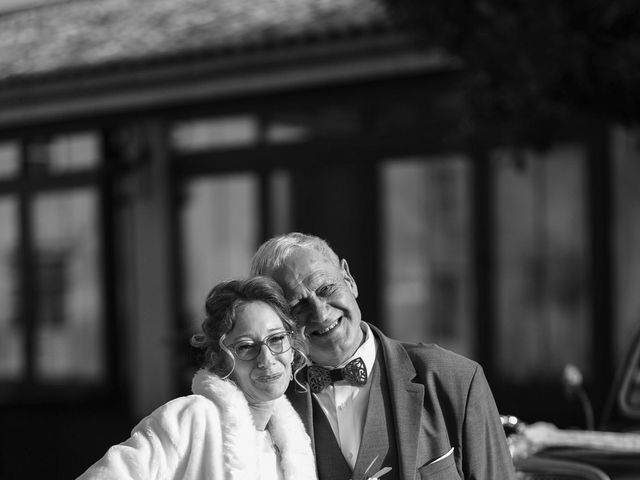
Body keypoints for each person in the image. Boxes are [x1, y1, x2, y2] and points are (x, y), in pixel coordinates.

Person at [250, 232, 517, 480]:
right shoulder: (267, 405)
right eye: (298, 306)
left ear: (349, 279)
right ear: (278, 320)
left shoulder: (454, 379)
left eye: (325, 289)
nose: (320, 313)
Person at [77, 277, 318, 480]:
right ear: (220, 358)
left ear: (292, 343)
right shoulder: (194, 417)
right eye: (246, 346)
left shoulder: (292, 444)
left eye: (276, 339)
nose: (267, 358)